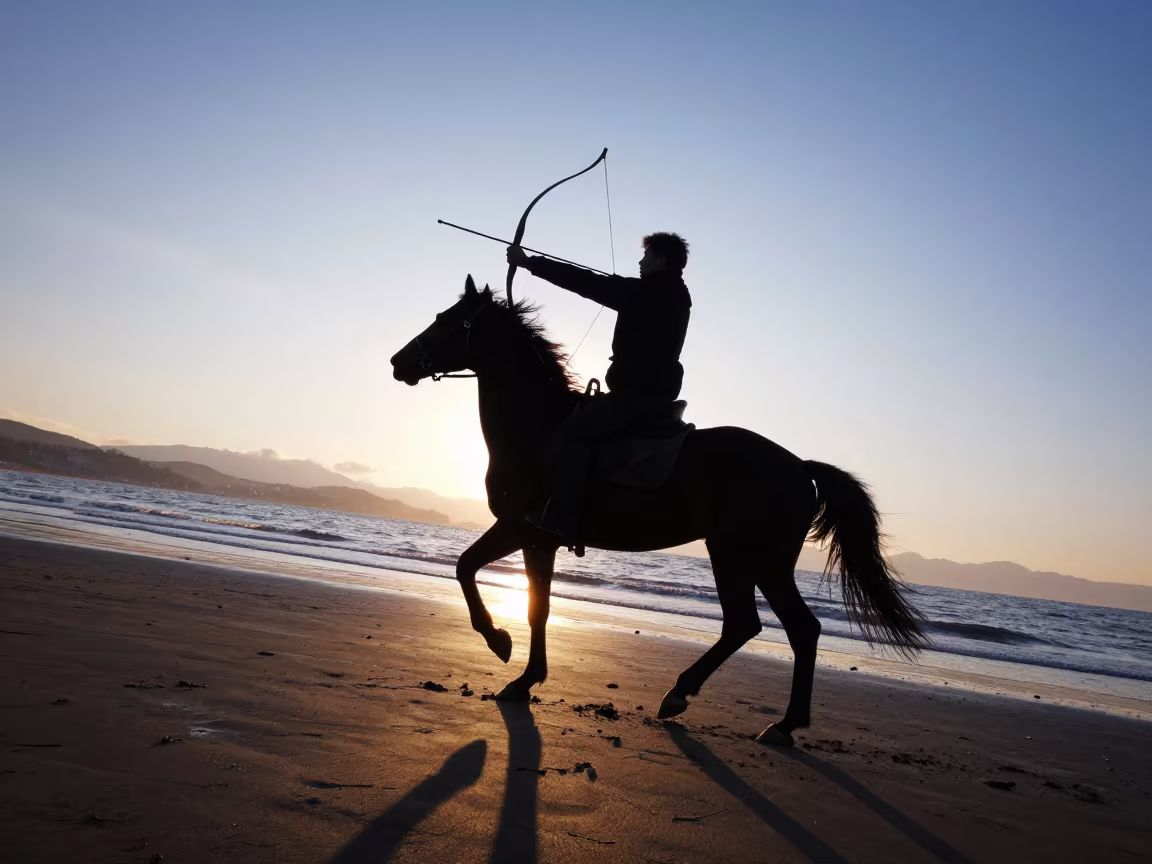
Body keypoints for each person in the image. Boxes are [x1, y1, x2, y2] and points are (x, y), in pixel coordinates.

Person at [506, 232, 692, 542]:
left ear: (661, 260)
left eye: (646, 256)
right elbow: (604, 284)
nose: (641, 262)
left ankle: (564, 519)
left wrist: (529, 263)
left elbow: (588, 282)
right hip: (652, 396)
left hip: (636, 397)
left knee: (570, 432)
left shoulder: (650, 293)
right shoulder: (671, 295)